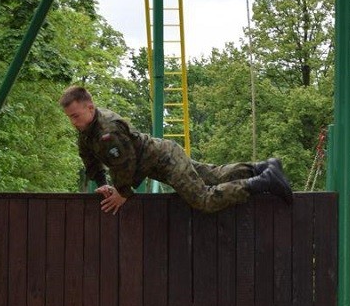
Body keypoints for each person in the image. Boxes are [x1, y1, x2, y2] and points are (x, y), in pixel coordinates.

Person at [59, 86, 292, 215]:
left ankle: (262, 181)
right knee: (212, 175)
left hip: (165, 160)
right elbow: (88, 157)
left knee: (203, 200)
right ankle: (262, 167)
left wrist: (123, 192)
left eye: (75, 116)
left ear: (90, 108)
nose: (73, 122)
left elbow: (125, 165)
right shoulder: (87, 129)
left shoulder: (108, 130)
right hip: (160, 161)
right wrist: (101, 182)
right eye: (70, 117)